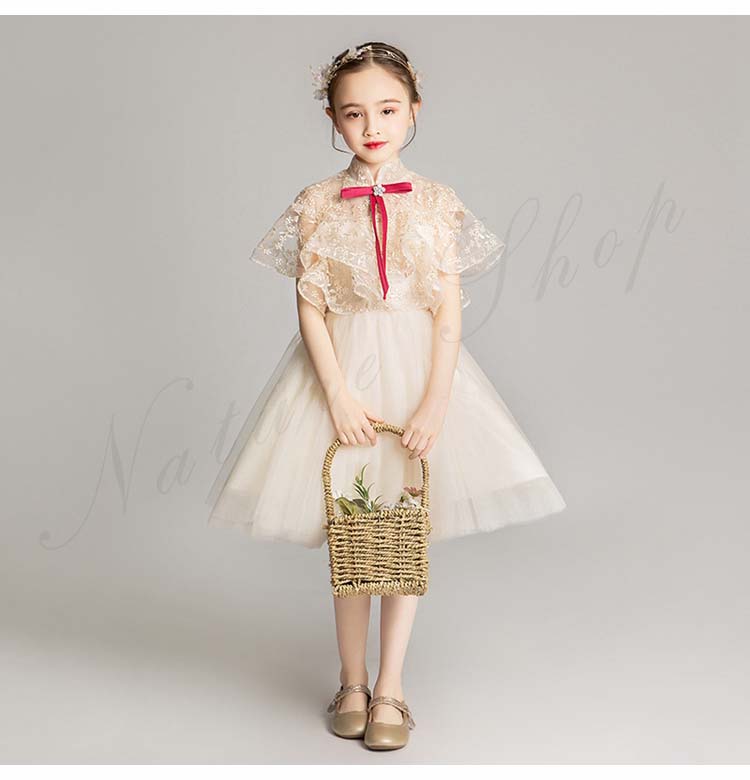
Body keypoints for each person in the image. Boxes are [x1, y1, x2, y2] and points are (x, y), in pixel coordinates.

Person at [205, 41, 567, 750]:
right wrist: (336, 395)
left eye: (388, 110)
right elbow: (310, 305)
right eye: (353, 114)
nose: (371, 126)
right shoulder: (316, 203)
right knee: (352, 531)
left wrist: (436, 402)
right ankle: (351, 679)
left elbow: (448, 309)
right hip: (341, 374)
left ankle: (392, 685)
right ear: (333, 121)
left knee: (403, 531)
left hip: (416, 372)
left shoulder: (436, 203)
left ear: (414, 112)